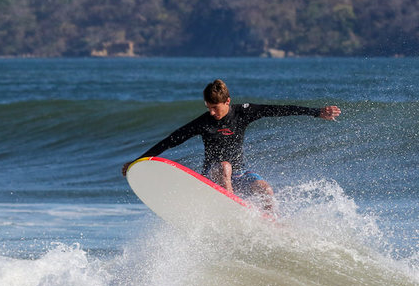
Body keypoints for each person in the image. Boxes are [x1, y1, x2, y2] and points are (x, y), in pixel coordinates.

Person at [122, 79, 341, 210]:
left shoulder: (244, 113)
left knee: (266, 190)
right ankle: (232, 205)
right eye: (208, 107)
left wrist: (316, 113)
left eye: (215, 107)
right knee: (225, 166)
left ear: (228, 102)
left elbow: (278, 109)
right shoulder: (204, 122)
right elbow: (170, 140)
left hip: (240, 174)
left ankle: (272, 225)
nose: (211, 112)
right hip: (213, 174)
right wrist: (138, 160)